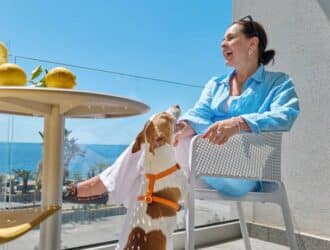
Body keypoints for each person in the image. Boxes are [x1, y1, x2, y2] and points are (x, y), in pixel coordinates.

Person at [65, 15, 299, 202]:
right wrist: (182, 126)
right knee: (157, 142)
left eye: (230, 38)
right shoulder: (216, 84)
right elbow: (200, 112)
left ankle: (106, 186)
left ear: (253, 43)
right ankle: (116, 205)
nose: (222, 44)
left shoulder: (278, 83)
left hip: (244, 175)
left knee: (161, 158)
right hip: (201, 169)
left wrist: (239, 123)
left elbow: (285, 115)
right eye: (222, 39)